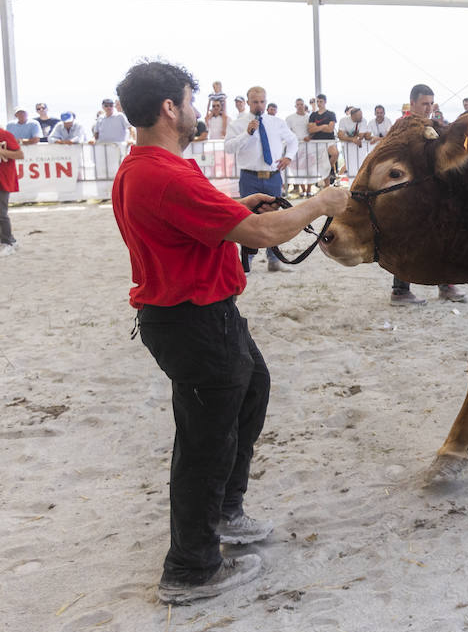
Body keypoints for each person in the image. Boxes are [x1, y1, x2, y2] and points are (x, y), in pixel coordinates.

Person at [110, 60, 347, 604]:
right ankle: (190, 569)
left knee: (250, 391)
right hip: (193, 319)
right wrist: (323, 203)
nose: (200, 112)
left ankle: (225, 512)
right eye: (193, 102)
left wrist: (235, 208)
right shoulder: (163, 174)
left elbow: (196, 224)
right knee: (204, 441)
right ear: (169, 108)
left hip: (202, 314)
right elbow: (263, 234)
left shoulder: (148, 167)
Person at [389, 84, 465, 306]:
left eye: (431, 103)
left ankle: (445, 285)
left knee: (442, 237)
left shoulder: (432, 124)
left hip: (431, 192)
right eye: (424, 104)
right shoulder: (401, 127)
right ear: (412, 103)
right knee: (407, 240)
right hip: (407, 193)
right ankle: (400, 290)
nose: (429, 108)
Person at [224, 85, 298, 274]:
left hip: (273, 176)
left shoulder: (277, 122)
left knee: (273, 218)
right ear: (248, 103)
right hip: (250, 177)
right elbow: (229, 148)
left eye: (262, 101)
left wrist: (289, 156)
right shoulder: (237, 124)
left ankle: (273, 259)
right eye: (255, 102)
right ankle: (246, 262)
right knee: (248, 219)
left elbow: (293, 140)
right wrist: (247, 133)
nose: (259, 105)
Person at [306, 93, 340, 185]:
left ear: (325, 102)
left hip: (329, 140)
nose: (319, 103)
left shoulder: (331, 114)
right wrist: (323, 126)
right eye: (317, 101)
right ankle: (327, 185)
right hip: (317, 142)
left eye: (321, 101)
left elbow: (330, 129)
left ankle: (328, 169)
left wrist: (318, 127)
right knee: (322, 163)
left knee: (335, 153)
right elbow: (311, 129)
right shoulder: (313, 115)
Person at [0, 123, 21, 256]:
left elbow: (19, 154)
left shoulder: (5, 135)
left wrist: (2, 151)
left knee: (1, 213)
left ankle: (7, 242)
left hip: (3, 179)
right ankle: (11, 240)